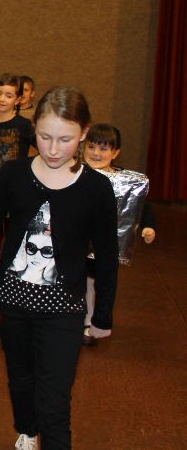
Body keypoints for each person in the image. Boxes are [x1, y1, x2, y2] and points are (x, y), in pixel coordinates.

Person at [0, 86, 119, 449]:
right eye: (44, 137)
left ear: (84, 133)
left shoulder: (96, 188)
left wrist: (102, 315)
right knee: (21, 381)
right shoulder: (13, 174)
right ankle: (26, 430)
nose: (53, 149)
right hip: (12, 302)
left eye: (65, 139)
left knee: (55, 401)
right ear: (33, 128)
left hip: (63, 308)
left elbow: (106, 254)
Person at [81, 123, 156, 346]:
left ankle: (96, 320)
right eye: (91, 147)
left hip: (107, 246)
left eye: (103, 149)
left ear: (115, 153)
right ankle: (82, 318)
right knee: (82, 281)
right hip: (78, 241)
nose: (96, 153)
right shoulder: (76, 173)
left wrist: (148, 226)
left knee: (100, 283)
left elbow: (142, 206)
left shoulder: (126, 182)